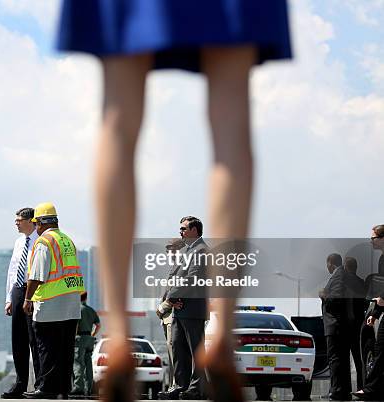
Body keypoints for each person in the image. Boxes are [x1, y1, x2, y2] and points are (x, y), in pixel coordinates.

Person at [56, 3, 292, 402]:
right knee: (231, 121)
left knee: (118, 119)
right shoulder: (185, 248)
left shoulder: (190, 249)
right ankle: (220, 342)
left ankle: (116, 348)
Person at [22, 202, 85, 399]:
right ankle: (63, 389)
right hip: (72, 305)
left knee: (47, 349)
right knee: (65, 350)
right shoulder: (67, 240)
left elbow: (37, 275)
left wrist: (27, 298)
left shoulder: (44, 242)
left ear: (40, 223)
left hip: (50, 305)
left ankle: (46, 388)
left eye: (36, 224)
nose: (36, 228)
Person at [159, 216, 208, 400]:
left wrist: (172, 297)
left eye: (184, 228)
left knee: (196, 352)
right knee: (179, 349)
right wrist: (173, 298)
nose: (181, 232)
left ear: (194, 230)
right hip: (181, 309)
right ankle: (180, 386)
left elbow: (193, 278)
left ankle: (196, 389)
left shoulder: (201, 250)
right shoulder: (189, 250)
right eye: (180, 229)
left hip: (193, 309)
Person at [2, 208, 41, 398]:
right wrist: (9, 298)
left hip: (34, 291)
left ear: (30, 221)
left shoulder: (41, 240)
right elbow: (12, 270)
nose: (16, 223)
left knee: (35, 339)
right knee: (18, 340)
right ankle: (20, 384)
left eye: (19, 220)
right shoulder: (19, 242)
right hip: (18, 291)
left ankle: (40, 383)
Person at [353, 224, 384, 400]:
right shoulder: (381, 260)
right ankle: (374, 388)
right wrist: (376, 313)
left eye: (373, 238)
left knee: (381, 347)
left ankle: (371, 388)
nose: (371, 241)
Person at [156, 237, 186, 397]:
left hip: (172, 315)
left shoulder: (182, 266)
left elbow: (178, 291)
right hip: (167, 316)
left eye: (173, 249)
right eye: (168, 250)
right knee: (172, 353)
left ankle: (176, 387)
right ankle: (174, 386)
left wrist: (162, 308)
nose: (170, 253)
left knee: (176, 353)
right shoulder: (172, 267)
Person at [320, 253, 351, 400]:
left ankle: (336, 390)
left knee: (335, 359)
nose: (327, 268)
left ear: (330, 263)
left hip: (335, 325)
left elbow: (336, 298)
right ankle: (343, 390)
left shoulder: (338, 275)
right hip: (341, 325)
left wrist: (324, 295)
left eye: (327, 265)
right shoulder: (343, 274)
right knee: (342, 359)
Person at [71, 291, 101, 396]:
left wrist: (73, 337)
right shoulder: (91, 310)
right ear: (86, 298)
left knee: (78, 363)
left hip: (79, 339)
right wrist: (92, 335)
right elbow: (98, 325)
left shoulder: (77, 309)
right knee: (88, 364)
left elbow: (75, 325)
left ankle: (78, 387)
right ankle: (89, 388)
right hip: (89, 339)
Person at [343, 256, 366, 391]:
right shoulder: (362, 282)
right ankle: (361, 387)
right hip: (359, 326)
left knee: (345, 360)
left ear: (345, 267)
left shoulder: (343, 282)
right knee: (359, 360)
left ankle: (345, 390)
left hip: (346, 326)